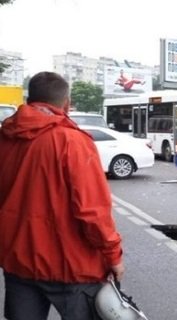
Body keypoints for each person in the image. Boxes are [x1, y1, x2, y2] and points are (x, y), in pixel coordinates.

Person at [0, 71, 125, 320]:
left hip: (17, 261)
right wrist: (114, 255)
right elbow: (93, 210)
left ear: (29, 99)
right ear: (66, 103)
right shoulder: (72, 141)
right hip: (71, 267)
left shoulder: (5, 138)